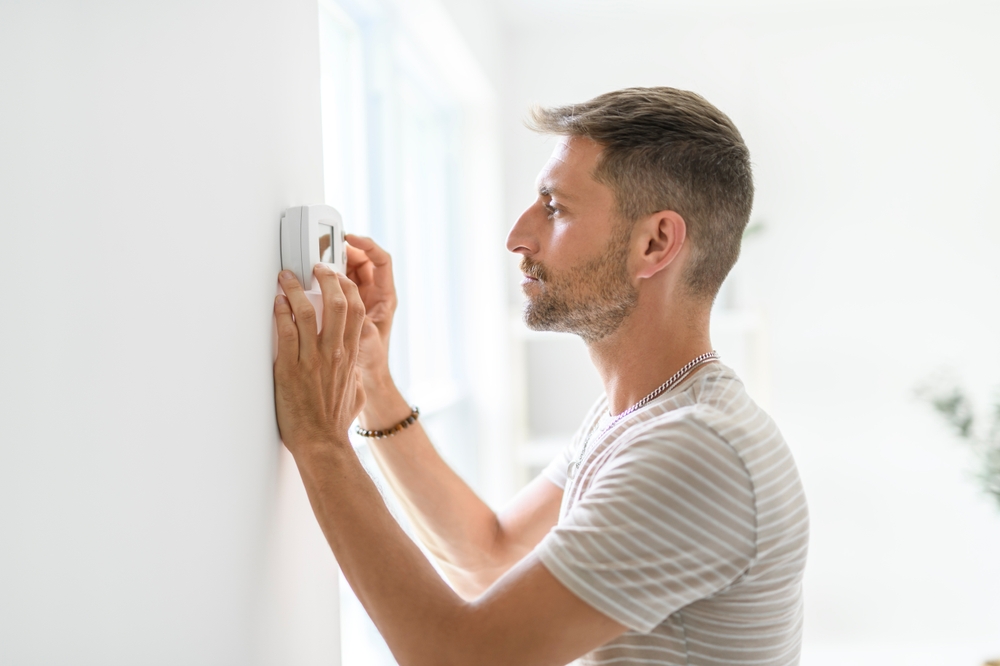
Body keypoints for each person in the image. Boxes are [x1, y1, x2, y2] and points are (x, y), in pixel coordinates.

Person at [272, 87, 809, 666]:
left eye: (554, 208)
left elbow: (456, 658)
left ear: (654, 243)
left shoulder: (697, 449)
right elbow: (489, 556)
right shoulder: (634, 415)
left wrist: (320, 440)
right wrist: (372, 382)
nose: (517, 238)